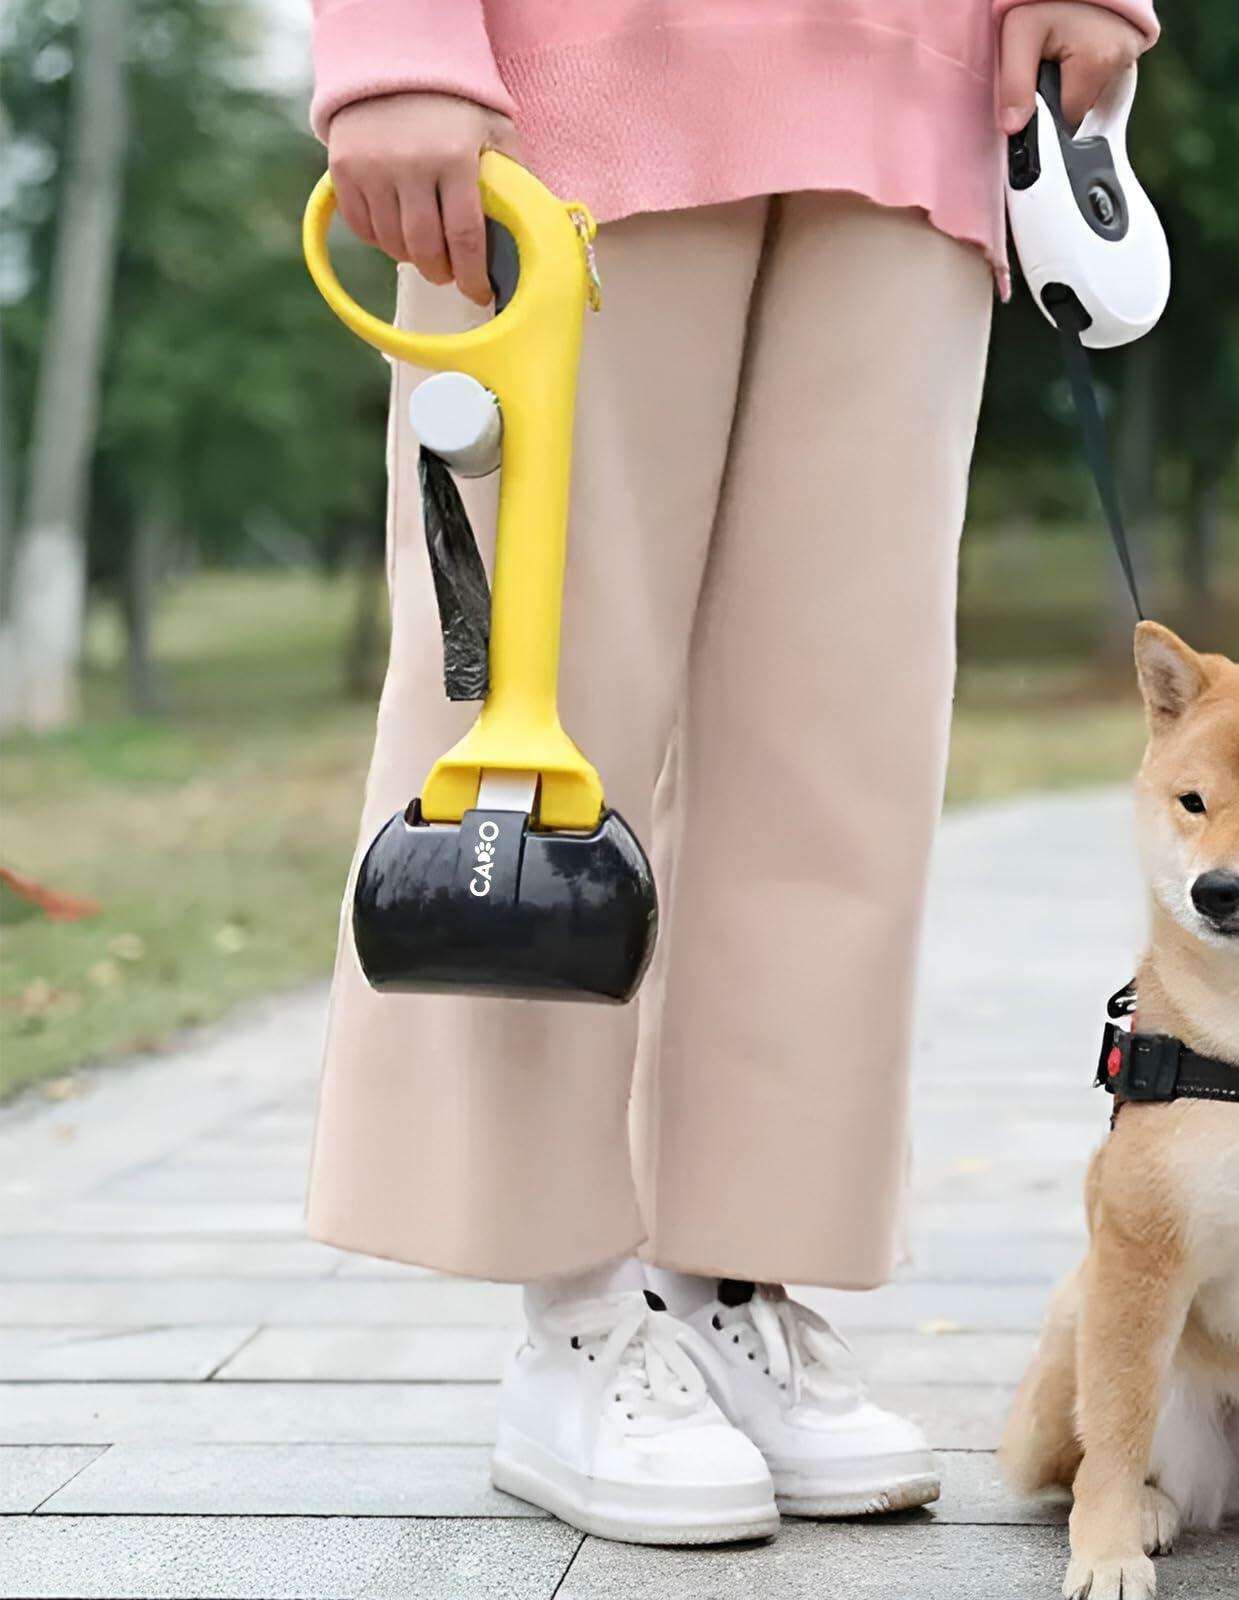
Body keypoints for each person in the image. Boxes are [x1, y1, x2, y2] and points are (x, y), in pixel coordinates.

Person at [307, 0, 1157, 1547]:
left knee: (842, 750)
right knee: (533, 720)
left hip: (920, 97)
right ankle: (568, 1313)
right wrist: (395, 44)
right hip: (570, 81)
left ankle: (729, 1286)